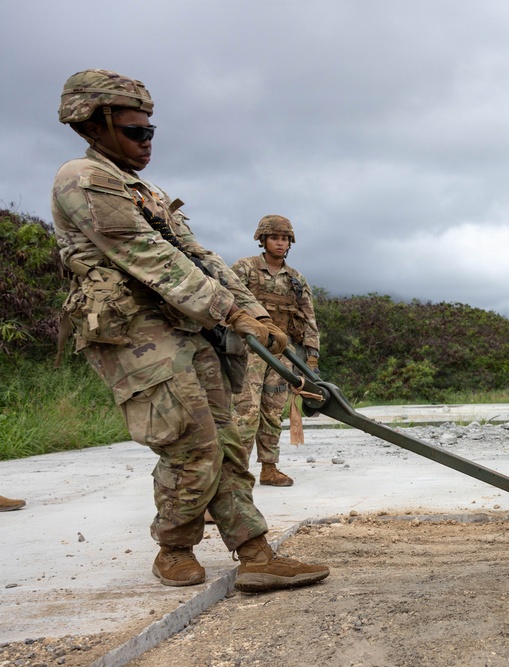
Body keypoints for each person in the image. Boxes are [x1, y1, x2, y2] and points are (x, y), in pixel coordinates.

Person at [51, 68, 329, 592]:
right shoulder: (83, 180)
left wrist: (256, 313)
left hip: (185, 324)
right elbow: (152, 258)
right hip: (133, 331)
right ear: (92, 124)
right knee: (191, 442)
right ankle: (174, 548)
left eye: (150, 131)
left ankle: (254, 551)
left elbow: (199, 256)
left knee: (228, 441)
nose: (147, 141)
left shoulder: (145, 191)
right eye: (135, 131)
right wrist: (231, 313)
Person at [231, 215, 320, 487]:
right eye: (274, 238)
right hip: (249, 351)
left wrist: (312, 359)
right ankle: (235, 473)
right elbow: (225, 301)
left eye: (284, 239)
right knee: (246, 412)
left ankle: (269, 469)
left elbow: (309, 319)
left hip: (282, 354)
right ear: (263, 240)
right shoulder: (245, 269)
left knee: (272, 412)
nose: (280, 243)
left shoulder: (295, 280)